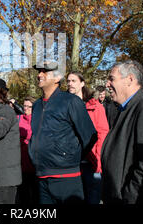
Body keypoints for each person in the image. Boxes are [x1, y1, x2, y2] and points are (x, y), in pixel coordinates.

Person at [101, 60, 143, 204]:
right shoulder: (124, 108)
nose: (107, 84)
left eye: (112, 79)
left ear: (130, 79)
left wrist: (129, 197)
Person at [28, 62, 97, 204]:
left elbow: (90, 136)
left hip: (67, 176)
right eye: (39, 71)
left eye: (44, 72)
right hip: (41, 176)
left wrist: (70, 156)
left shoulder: (71, 101)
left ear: (57, 78)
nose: (39, 75)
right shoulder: (36, 106)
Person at [67, 71, 109, 204]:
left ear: (82, 83)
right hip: (71, 163)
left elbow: (102, 133)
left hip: (91, 162)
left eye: (73, 81)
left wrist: (98, 158)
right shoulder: (64, 105)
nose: (70, 84)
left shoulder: (95, 106)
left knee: (92, 199)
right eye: (68, 81)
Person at [15, 96, 38, 204]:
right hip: (21, 162)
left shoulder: (38, 120)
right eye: (24, 106)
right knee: (23, 194)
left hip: (35, 163)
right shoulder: (18, 118)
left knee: (36, 194)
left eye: (29, 106)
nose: (26, 109)